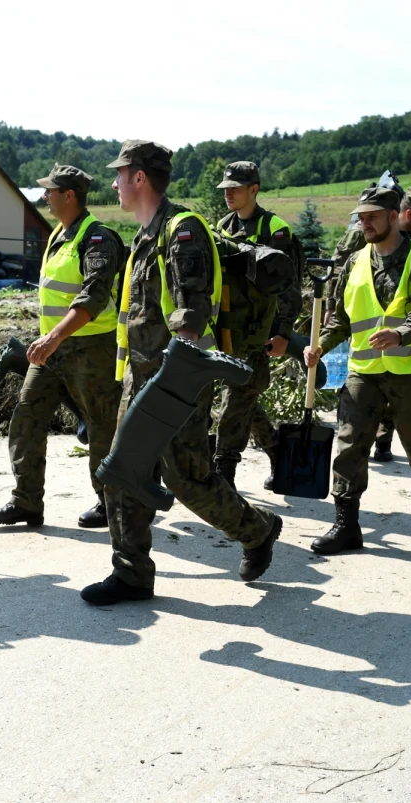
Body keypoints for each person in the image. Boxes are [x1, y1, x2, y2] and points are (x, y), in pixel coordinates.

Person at [81, 140, 283, 606]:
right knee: (123, 471)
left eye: (120, 174)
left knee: (187, 479)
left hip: (174, 383)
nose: (114, 183)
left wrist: (172, 382)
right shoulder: (144, 236)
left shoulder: (181, 229)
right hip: (140, 378)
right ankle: (131, 573)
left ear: (139, 177)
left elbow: (191, 312)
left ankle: (257, 530)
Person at [303, 184, 411, 553]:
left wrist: (402, 333)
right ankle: (346, 524)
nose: (365, 223)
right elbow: (342, 319)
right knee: (350, 442)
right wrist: (319, 345)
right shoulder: (354, 262)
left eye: (372, 216)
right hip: (364, 371)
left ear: (394, 216)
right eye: (361, 217)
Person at [0, 164, 124, 529]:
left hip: (91, 349)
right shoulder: (57, 236)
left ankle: (111, 502)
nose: (45, 196)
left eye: (50, 191)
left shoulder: (98, 238)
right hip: (52, 352)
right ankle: (26, 502)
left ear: (69, 195)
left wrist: (54, 337)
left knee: (101, 427)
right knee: (27, 416)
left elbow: (94, 297)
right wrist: (50, 340)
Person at [330, 183, 411, 462]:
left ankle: (393, 443)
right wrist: (329, 321)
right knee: (351, 440)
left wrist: (404, 332)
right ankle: (381, 441)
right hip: (367, 357)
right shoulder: (363, 237)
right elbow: (342, 272)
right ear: (407, 213)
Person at [211, 160, 300, 489]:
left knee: (235, 402)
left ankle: (224, 477)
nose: (228, 194)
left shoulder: (275, 229)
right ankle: (277, 450)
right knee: (243, 398)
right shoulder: (223, 226)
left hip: (259, 332)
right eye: (225, 189)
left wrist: (283, 332)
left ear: (254, 189)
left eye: (235, 188)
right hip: (228, 331)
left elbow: (290, 287)